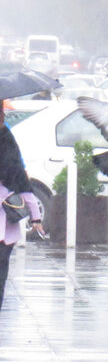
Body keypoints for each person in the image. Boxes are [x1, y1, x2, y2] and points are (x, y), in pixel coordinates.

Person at [0, 122, 44, 311]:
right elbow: (23, 184)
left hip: (5, 229)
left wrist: (36, 219)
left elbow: (24, 186)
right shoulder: (7, 143)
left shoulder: (6, 142)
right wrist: (35, 219)